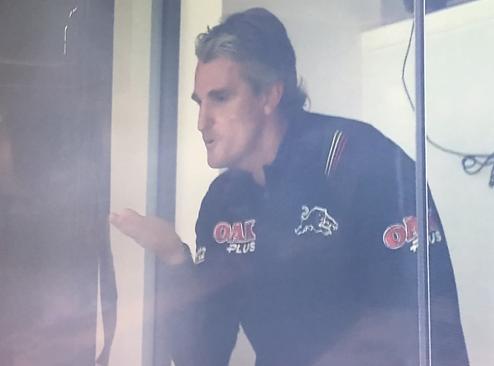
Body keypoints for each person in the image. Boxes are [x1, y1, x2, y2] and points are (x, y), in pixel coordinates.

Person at [110, 7, 469, 366]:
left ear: (269, 96)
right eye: (199, 103)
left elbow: (433, 333)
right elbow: (201, 357)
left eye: (220, 98)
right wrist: (174, 258)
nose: (202, 121)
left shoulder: (361, 163)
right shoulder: (224, 201)